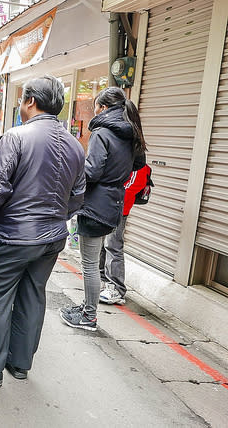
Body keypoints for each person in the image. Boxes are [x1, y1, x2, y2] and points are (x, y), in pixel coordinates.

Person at [0, 76, 86, 387]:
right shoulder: (74, 145)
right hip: (52, 237)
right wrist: (55, 218)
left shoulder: (16, 137)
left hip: (13, 235)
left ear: (29, 101)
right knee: (32, 295)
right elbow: (78, 196)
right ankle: (20, 362)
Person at [60, 87, 146, 331]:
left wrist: (72, 176)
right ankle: (86, 307)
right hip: (115, 202)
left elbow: (93, 170)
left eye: (96, 106)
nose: (94, 110)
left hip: (95, 203)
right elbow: (139, 163)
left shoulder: (102, 131)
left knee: (89, 264)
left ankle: (89, 315)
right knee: (95, 260)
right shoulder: (130, 131)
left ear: (104, 108)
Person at [99, 163, 151, 305]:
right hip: (106, 206)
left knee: (112, 245)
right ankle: (102, 280)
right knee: (102, 245)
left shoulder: (137, 160)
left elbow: (135, 184)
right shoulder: (121, 154)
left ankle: (116, 289)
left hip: (118, 209)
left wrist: (111, 199)